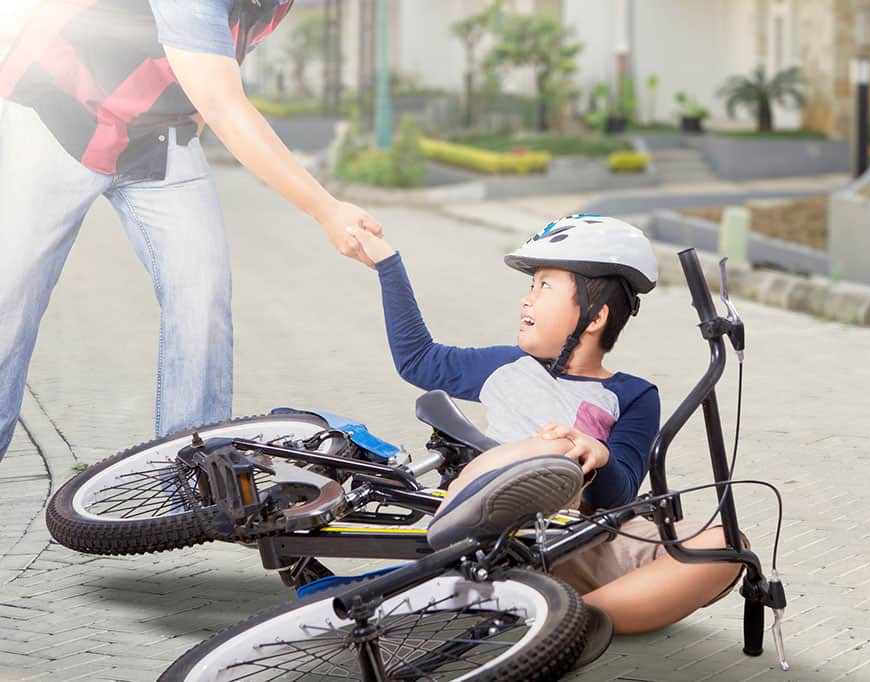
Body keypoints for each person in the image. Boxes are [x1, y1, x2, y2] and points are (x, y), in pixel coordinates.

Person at [345, 215, 745, 664]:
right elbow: (417, 359)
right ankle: (480, 541)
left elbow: (621, 491)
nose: (526, 299)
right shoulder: (504, 366)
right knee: (551, 450)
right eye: (531, 285)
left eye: (544, 287)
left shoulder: (633, 395)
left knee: (728, 545)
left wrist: (599, 454)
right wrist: (387, 265)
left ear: (596, 317)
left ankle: (563, 624)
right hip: (498, 523)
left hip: (583, 537)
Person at [0, 0, 380, 461]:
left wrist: (191, 118)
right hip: (55, 115)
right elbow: (224, 104)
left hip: (158, 137)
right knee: (12, 303)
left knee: (202, 293)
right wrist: (326, 209)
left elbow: (217, 70)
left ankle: (191, 463)